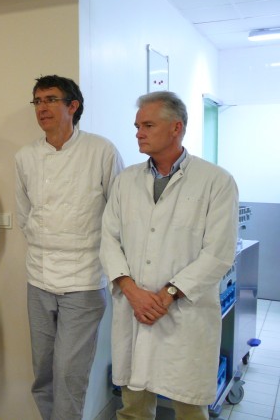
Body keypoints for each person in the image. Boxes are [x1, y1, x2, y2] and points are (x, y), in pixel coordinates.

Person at [100, 91, 238, 419]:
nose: (139, 133)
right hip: (134, 309)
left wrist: (166, 296)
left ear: (176, 128)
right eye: (137, 126)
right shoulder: (126, 180)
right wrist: (132, 292)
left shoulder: (216, 181)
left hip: (184, 313)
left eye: (147, 125)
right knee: (133, 408)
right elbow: (109, 239)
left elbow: (218, 253)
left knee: (189, 407)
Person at [14, 75, 123, 419]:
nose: (42, 108)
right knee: (43, 370)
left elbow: (118, 214)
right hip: (39, 278)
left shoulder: (101, 151)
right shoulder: (26, 156)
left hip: (84, 279)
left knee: (68, 373)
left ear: (73, 106)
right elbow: (24, 214)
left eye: (50, 100)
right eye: (37, 101)